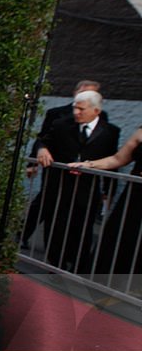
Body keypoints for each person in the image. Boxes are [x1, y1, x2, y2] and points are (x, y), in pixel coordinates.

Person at [36, 90, 119, 272]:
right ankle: (55, 263)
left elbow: (114, 161)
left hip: (87, 189)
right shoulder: (61, 125)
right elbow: (43, 140)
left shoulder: (110, 132)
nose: (76, 113)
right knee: (57, 225)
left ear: (96, 111)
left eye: (81, 109)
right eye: (75, 108)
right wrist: (42, 150)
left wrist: (108, 191)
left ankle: (78, 264)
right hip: (60, 186)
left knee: (83, 227)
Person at [23, 80, 105, 245]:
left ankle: (70, 255)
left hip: (82, 178)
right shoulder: (57, 114)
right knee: (45, 204)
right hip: (57, 171)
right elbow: (43, 139)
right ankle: (25, 234)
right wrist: (34, 161)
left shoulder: (102, 118)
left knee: (75, 217)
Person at [70, 127, 142, 284]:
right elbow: (117, 159)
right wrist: (89, 165)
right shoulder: (140, 132)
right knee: (123, 236)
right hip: (135, 196)